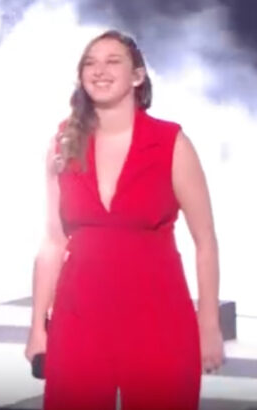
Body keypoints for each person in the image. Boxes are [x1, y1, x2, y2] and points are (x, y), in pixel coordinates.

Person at [26, 30, 224, 410]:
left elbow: (206, 242)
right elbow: (52, 241)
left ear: (137, 76)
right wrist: (38, 326)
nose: (99, 70)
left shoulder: (171, 144)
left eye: (112, 61)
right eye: (90, 63)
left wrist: (209, 324)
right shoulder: (63, 144)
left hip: (158, 320)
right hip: (79, 320)